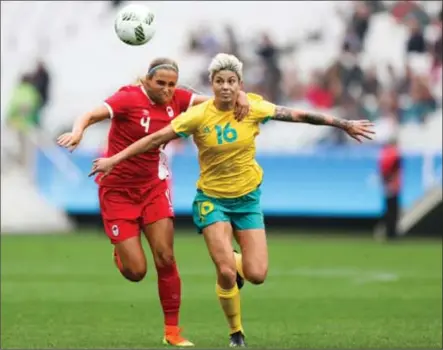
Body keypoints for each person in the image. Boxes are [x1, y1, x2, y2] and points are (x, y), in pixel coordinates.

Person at [89, 53, 375, 347]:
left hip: (248, 200)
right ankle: (236, 334)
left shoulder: (253, 107)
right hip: (212, 200)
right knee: (224, 271)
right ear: (211, 85)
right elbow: (153, 140)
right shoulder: (197, 115)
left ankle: (236, 264)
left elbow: (298, 115)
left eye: (231, 82)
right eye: (219, 81)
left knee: (257, 274)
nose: (225, 87)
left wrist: (343, 124)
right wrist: (114, 159)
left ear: (240, 85)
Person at [57, 57, 250, 347]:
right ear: (146, 80)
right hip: (117, 190)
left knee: (166, 257)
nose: (167, 89)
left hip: (154, 187)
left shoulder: (180, 98)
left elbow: (218, 99)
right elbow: (91, 114)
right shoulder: (127, 98)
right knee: (136, 272)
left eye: (172, 84)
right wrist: (78, 131)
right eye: (161, 83)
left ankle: (172, 332)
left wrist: (242, 93)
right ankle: (121, 252)